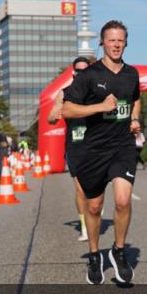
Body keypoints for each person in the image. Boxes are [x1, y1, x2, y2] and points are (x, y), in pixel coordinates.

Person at [62, 21, 142, 285]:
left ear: (126, 42)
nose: (116, 45)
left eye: (121, 40)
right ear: (102, 42)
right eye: (112, 40)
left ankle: (118, 252)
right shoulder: (88, 75)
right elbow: (67, 110)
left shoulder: (132, 74)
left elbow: (136, 98)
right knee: (94, 207)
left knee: (122, 200)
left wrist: (134, 118)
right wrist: (97, 107)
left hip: (122, 147)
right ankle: (95, 255)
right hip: (93, 150)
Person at [48, 56, 94, 242]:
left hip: (96, 144)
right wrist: (55, 114)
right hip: (75, 146)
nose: (82, 74)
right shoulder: (64, 93)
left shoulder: (96, 93)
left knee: (96, 190)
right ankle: (84, 226)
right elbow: (51, 118)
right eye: (79, 71)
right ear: (74, 73)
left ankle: (94, 212)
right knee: (80, 190)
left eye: (86, 71)